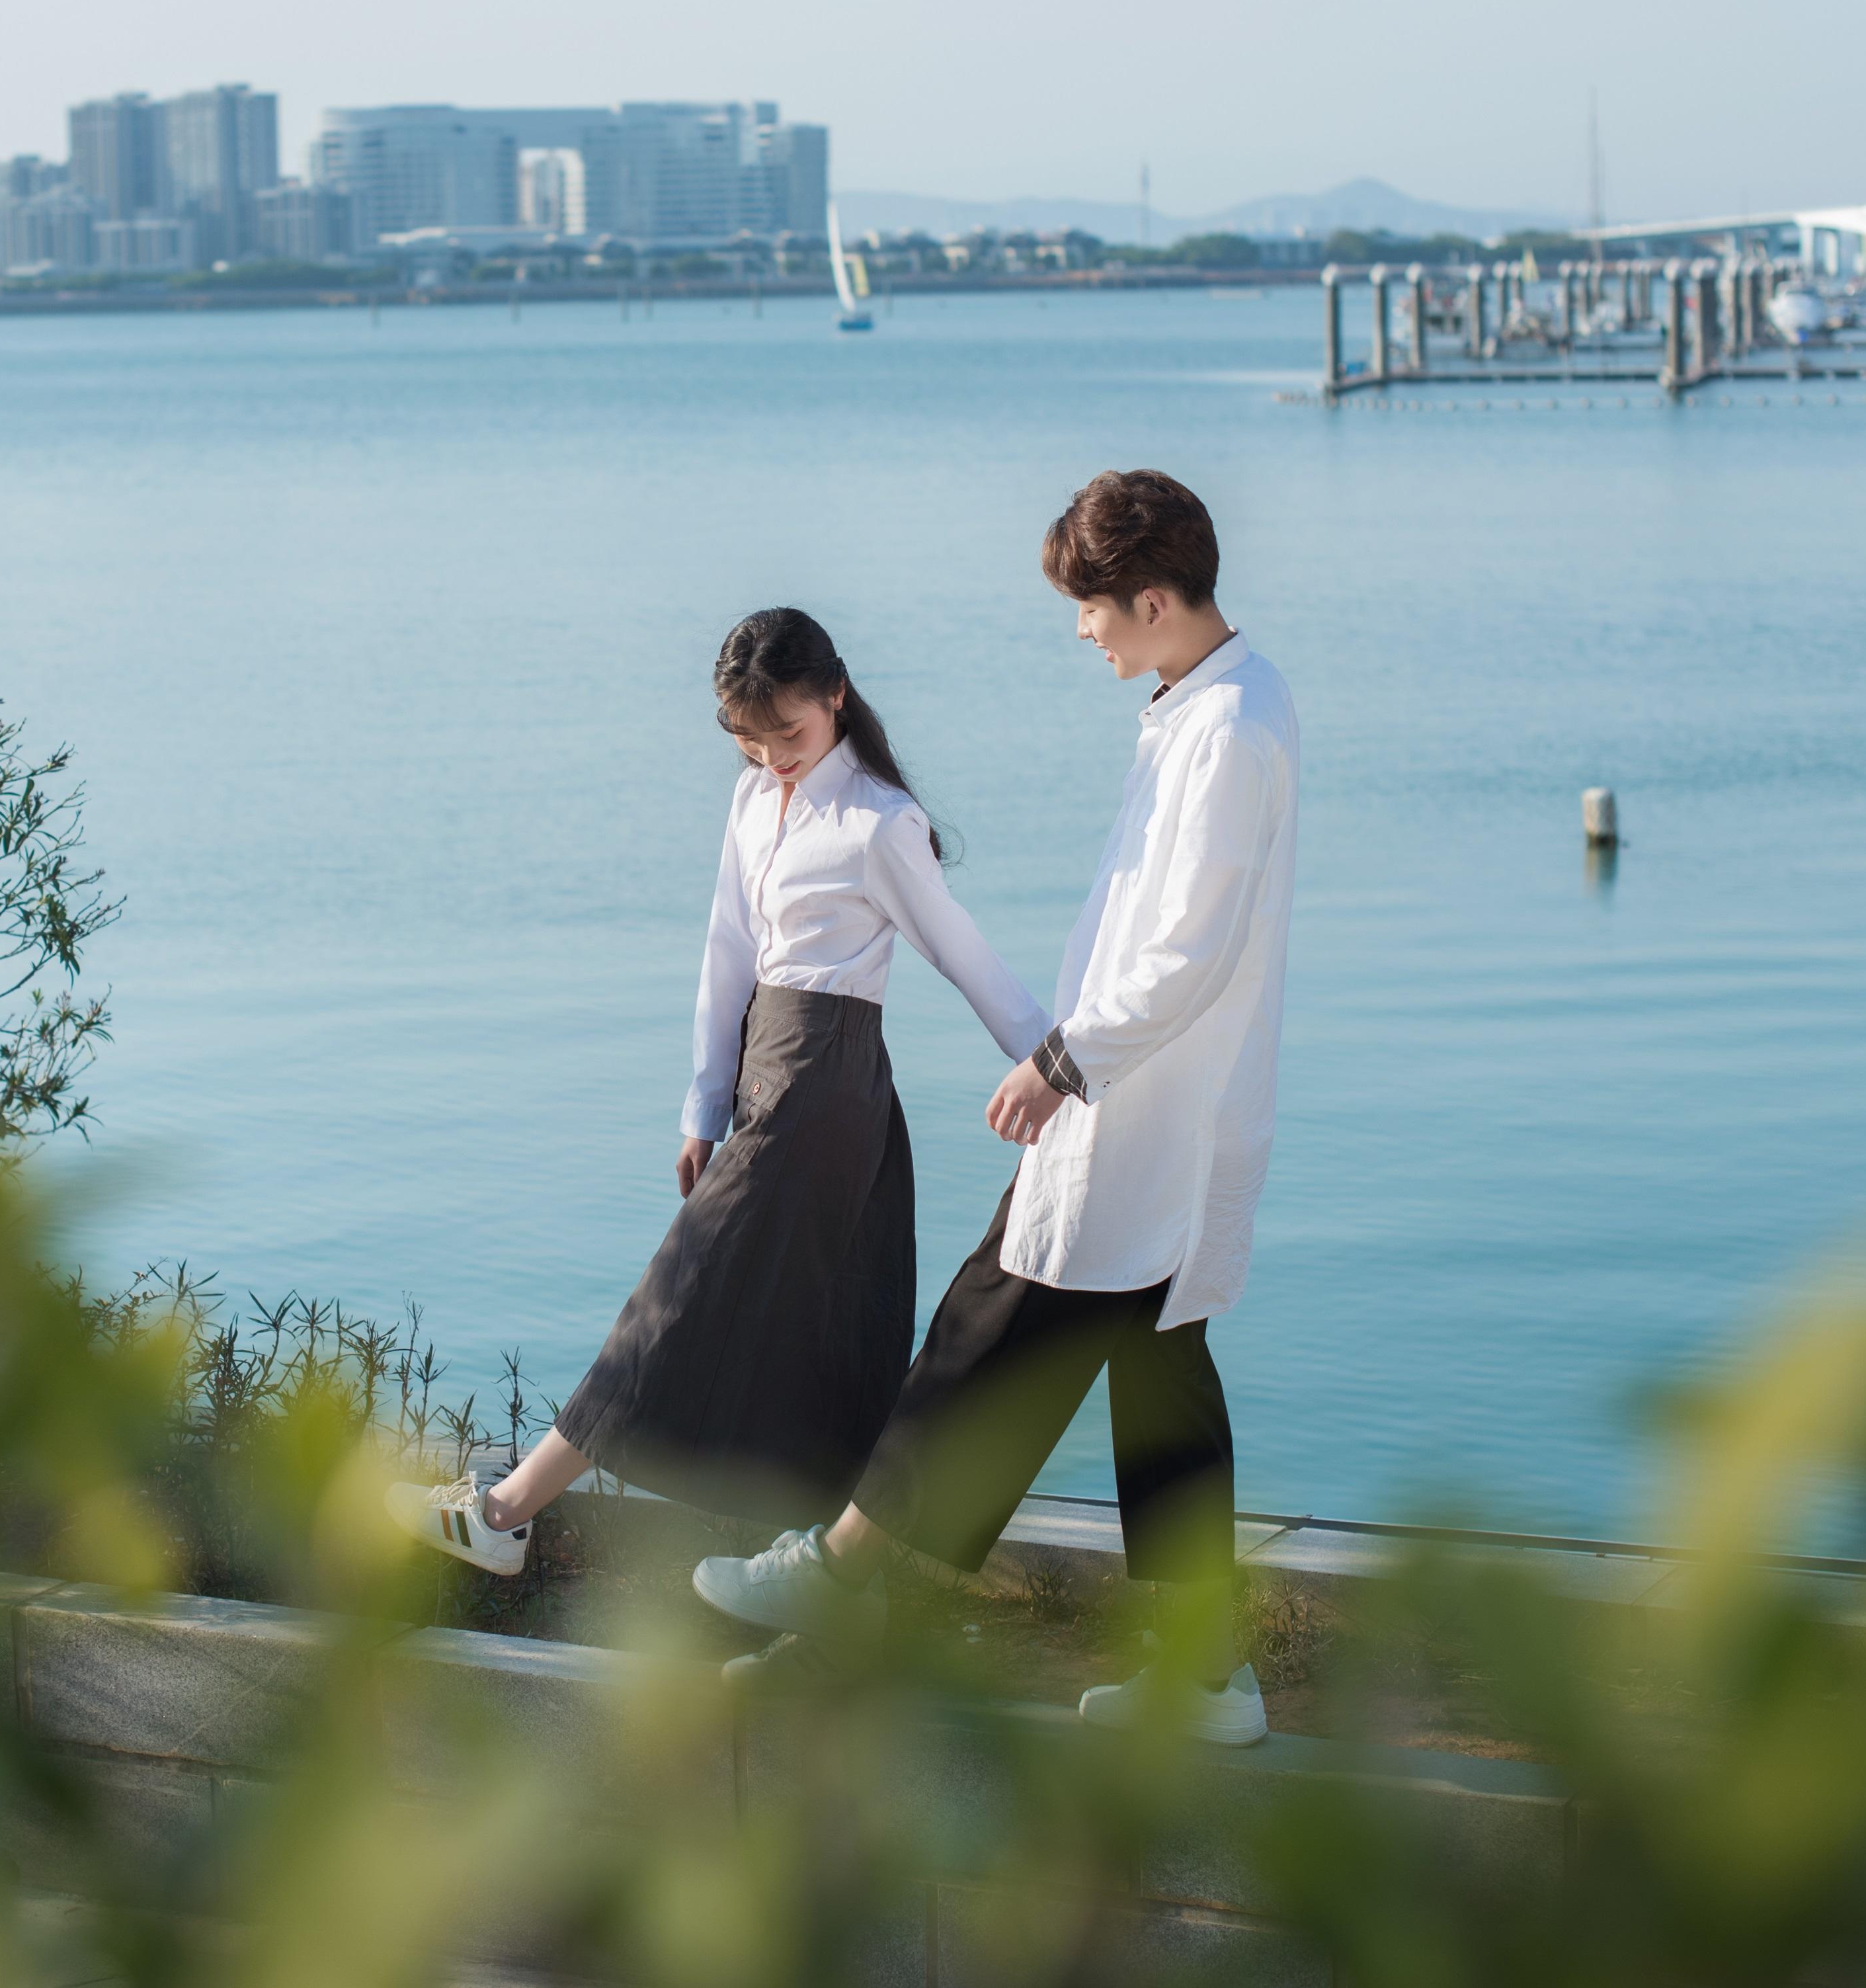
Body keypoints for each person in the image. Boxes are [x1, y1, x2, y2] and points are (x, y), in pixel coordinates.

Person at [687, 470, 1299, 1749]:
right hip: (1140, 1111)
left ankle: (847, 1573)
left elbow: (1185, 952)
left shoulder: (1231, 729)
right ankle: (1204, 1679)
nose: (1081, 631)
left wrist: (1061, 1061)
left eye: (1088, 609)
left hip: (1142, 1107)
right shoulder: (1197, 708)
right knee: (1157, 1386)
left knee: (987, 1327)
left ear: (1147, 597)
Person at [387, 608, 1049, 1570]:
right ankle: (832, 1554)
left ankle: (503, 1514)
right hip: (769, 1077)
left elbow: (964, 955)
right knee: (819, 1312)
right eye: (752, 737)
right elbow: (726, 953)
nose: (777, 754)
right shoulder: (751, 799)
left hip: (827, 1084)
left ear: (835, 694)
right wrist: (702, 1105)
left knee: (681, 1292)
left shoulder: (879, 822)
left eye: (792, 732)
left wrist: (1061, 1066)